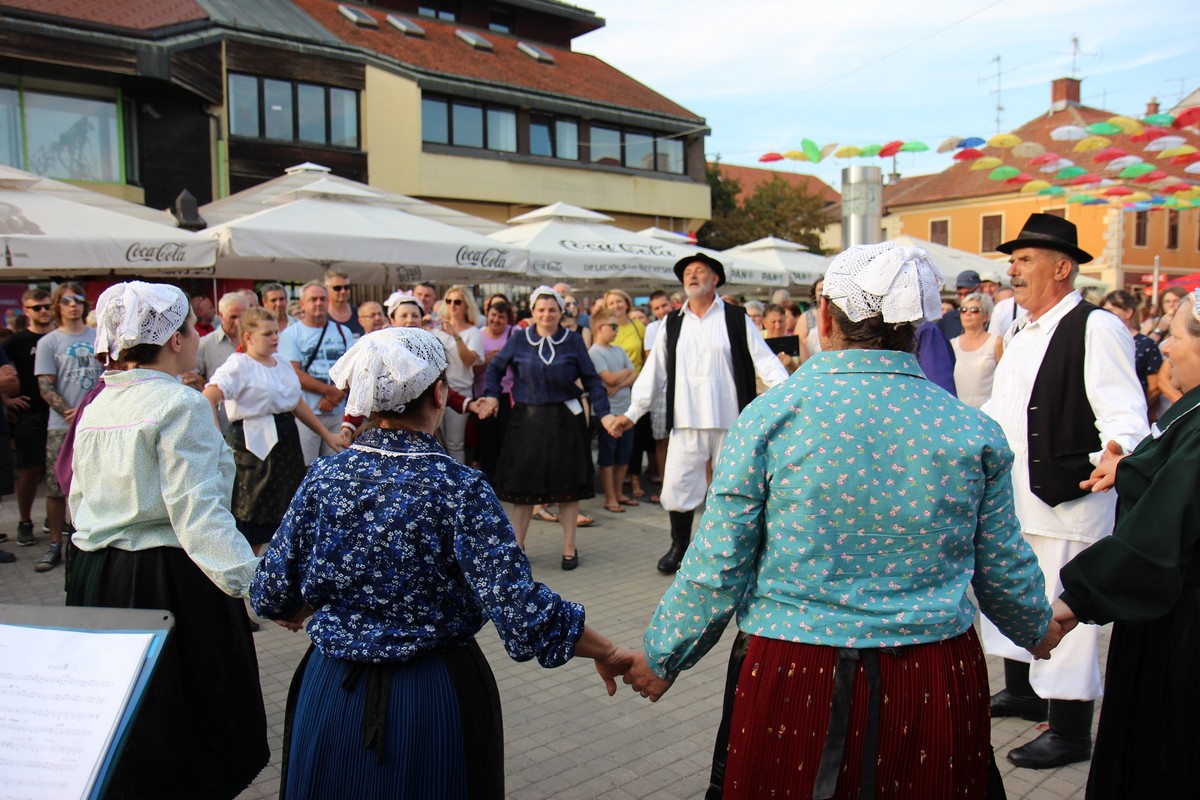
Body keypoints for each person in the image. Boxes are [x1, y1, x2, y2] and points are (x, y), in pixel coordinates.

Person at [624, 242, 1063, 799]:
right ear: (917, 328)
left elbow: (717, 564)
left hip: (794, 669)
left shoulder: (771, 417)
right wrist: (1036, 626)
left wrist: (663, 656)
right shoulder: (969, 429)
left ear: (825, 316)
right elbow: (1001, 562)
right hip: (930, 672)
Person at [250, 327, 633, 798]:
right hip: (431, 698)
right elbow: (520, 608)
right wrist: (610, 652)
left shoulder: (326, 475)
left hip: (329, 693)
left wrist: (309, 606)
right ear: (438, 392)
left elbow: (270, 593)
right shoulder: (459, 486)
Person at [67, 281, 268, 798]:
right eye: (192, 327)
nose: (199, 335)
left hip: (98, 575)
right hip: (169, 580)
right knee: (182, 727)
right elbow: (198, 515)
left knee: (123, 723)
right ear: (176, 340)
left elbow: (78, 500)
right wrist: (260, 587)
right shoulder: (180, 404)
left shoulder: (98, 404)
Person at [980, 213, 1149, 769]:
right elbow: (1001, 410)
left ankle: (1073, 733)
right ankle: (1027, 693)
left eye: (1024, 260)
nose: (1013, 270)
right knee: (1016, 593)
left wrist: (1118, 450)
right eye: (1013, 260)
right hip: (1017, 498)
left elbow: (1123, 409)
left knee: (1064, 614)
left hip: (1068, 497)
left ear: (1061, 267)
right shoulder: (1021, 330)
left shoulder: (1096, 326)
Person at [1049, 288, 1200, 798]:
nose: (1165, 349)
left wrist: (1069, 607)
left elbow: (1160, 535)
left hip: (1182, 631)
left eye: (1174, 336)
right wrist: (1130, 469)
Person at [608, 253, 788, 574]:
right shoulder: (672, 322)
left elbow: (765, 361)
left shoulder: (735, 317)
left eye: (698, 271)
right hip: (687, 419)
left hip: (731, 421)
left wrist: (790, 397)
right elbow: (654, 371)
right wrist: (633, 413)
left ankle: (729, 552)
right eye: (687, 273)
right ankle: (679, 546)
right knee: (676, 487)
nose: (691, 276)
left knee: (733, 488)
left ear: (714, 279)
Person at [480, 286, 615, 570]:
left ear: (560, 312)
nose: (546, 314)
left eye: (552, 309)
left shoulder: (574, 340)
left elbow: (591, 380)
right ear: (533, 312)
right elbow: (494, 370)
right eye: (541, 309)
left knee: (568, 488)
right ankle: (518, 547)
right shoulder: (519, 339)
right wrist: (492, 394)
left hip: (565, 420)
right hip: (526, 421)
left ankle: (569, 548)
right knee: (522, 488)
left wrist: (604, 414)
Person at [203, 307, 345, 554]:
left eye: (276, 332)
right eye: (267, 333)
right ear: (248, 337)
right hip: (251, 446)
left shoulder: (281, 362)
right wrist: (217, 440)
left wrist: (326, 434)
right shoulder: (238, 365)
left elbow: (297, 403)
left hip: (286, 443)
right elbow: (208, 398)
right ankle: (249, 571)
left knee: (287, 509)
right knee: (254, 511)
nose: (275, 338)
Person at [33, 282, 103, 573]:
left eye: (78, 299)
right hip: (61, 425)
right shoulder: (50, 342)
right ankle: (54, 543)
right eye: (66, 301)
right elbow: (45, 385)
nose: (73, 305)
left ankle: (88, 540)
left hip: (96, 421)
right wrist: (68, 411)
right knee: (55, 486)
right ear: (57, 305)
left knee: (94, 483)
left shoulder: (97, 336)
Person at [2, 288, 55, 548]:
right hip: (30, 412)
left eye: (46, 306)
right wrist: (7, 399)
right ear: (26, 311)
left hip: (57, 412)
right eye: (37, 308)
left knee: (60, 469)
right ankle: (25, 521)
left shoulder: (59, 338)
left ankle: (53, 519)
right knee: (31, 468)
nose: (43, 311)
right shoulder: (15, 342)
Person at [278, 281, 352, 464]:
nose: (318, 303)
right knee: (307, 466)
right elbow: (293, 372)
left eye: (322, 299)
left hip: (337, 412)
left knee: (337, 466)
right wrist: (329, 392)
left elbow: (354, 367)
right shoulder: (291, 334)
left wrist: (337, 394)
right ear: (303, 304)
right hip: (306, 413)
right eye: (313, 299)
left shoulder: (344, 332)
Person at [588, 309, 638, 513]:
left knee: (624, 454)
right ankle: (610, 496)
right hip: (606, 413)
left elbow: (635, 373)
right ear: (600, 327)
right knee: (608, 455)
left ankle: (618, 493)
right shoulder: (594, 352)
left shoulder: (618, 350)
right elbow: (606, 377)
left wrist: (619, 383)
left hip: (626, 411)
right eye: (614, 326)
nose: (617, 330)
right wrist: (624, 375)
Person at [183, 292, 248, 431]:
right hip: (221, 425)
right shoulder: (205, 344)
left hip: (254, 426)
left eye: (242, 317)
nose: (238, 322)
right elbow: (189, 379)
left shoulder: (257, 343)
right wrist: (206, 389)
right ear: (221, 315)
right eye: (233, 317)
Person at [434, 286, 484, 464]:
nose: (452, 306)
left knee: (455, 443)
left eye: (457, 302)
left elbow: (468, 360)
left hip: (461, 390)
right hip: (437, 391)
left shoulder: (473, 332)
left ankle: (456, 484)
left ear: (466, 306)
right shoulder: (437, 329)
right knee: (436, 442)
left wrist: (456, 336)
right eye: (448, 301)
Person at [1102, 290, 1162, 418]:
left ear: (1128, 312)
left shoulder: (1146, 345)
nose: (1106, 316)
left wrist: (1136, 408)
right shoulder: (1102, 342)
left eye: (1111, 311)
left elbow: (1154, 386)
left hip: (1134, 414)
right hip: (1104, 412)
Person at [474, 299, 515, 481]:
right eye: (493, 315)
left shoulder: (514, 334)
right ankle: (489, 479)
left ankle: (505, 479)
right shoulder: (479, 336)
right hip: (483, 393)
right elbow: (471, 370)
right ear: (487, 315)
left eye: (501, 317)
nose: (496, 320)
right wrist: (488, 360)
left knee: (506, 438)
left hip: (509, 394)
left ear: (508, 320)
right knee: (487, 439)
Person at [951, 292, 1004, 408]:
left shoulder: (996, 342)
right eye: (963, 310)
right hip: (958, 411)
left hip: (988, 412)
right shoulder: (952, 344)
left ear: (986, 316)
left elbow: (1005, 380)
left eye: (974, 310)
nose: (968, 313)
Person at [324, 269, 364, 337]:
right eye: (337, 288)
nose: (343, 291)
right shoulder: (322, 316)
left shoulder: (358, 313)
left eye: (347, 287)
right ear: (326, 289)